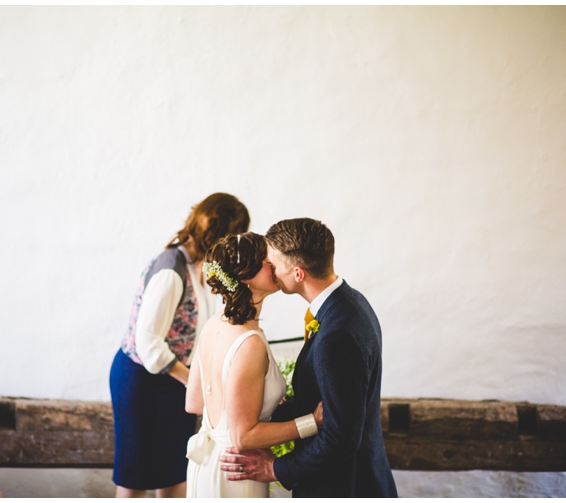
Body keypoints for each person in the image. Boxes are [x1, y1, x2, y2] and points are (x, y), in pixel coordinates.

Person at [220, 218, 398, 498]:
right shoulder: (352, 302)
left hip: (341, 487)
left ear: (298, 274)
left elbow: (341, 438)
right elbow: (331, 400)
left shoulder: (336, 335)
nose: (271, 271)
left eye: (273, 264)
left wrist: (277, 469)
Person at [109, 193, 250, 498]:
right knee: (135, 478)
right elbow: (147, 342)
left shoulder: (195, 265)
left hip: (173, 384)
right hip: (142, 384)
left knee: (173, 473)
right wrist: (194, 382)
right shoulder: (171, 269)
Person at [185, 232, 323, 498]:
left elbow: (194, 403)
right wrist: (311, 423)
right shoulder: (249, 343)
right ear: (246, 277)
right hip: (237, 471)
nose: (273, 265)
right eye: (266, 261)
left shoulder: (213, 325)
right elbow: (244, 437)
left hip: (205, 465)